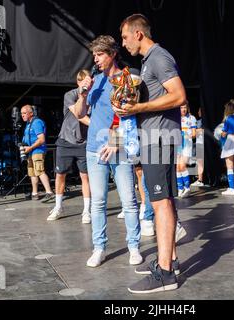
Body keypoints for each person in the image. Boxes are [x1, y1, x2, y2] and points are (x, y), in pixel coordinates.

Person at [118, 14, 187, 294]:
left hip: (159, 138)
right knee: (164, 202)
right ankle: (168, 260)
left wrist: (138, 109)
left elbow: (179, 96)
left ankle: (166, 275)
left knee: (159, 203)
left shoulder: (158, 57)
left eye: (124, 37)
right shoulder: (149, 62)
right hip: (153, 138)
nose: (123, 44)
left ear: (138, 34)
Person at [74, 35, 143, 268]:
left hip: (119, 147)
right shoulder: (94, 80)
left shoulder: (127, 78)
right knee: (98, 202)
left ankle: (134, 246)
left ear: (112, 53)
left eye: (100, 54)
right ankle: (99, 248)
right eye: (94, 54)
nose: (96, 59)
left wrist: (115, 139)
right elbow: (79, 112)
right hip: (94, 149)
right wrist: (83, 94)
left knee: (129, 201)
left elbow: (129, 115)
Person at [47, 70, 92, 223]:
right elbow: (79, 115)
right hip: (66, 141)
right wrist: (98, 126)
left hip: (84, 143)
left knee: (85, 176)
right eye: (84, 82)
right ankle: (58, 206)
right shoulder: (70, 95)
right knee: (60, 175)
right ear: (78, 82)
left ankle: (86, 210)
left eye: (89, 82)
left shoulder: (94, 96)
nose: (87, 85)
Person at [20, 104, 54, 201]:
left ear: (31, 113)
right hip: (30, 152)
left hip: (37, 151)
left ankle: (49, 192)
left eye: (24, 113)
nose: (22, 115)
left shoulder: (36, 122)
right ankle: (35, 193)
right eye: (21, 113)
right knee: (32, 172)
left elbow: (41, 139)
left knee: (39, 170)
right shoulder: (28, 124)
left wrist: (30, 148)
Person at [176, 102, 196, 198]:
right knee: (177, 167)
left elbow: (194, 134)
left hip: (187, 144)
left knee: (182, 166)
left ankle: (187, 188)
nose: (183, 110)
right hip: (177, 144)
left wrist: (187, 134)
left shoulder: (191, 118)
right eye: (181, 108)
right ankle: (180, 189)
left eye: (185, 108)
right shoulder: (174, 117)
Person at [191, 108, 205, 187]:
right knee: (198, 161)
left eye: (200, 111)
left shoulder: (203, 121)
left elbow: (201, 130)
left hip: (201, 143)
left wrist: (192, 131)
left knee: (200, 162)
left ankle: (200, 180)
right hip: (198, 143)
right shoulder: (198, 121)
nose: (198, 112)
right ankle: (199, 178)